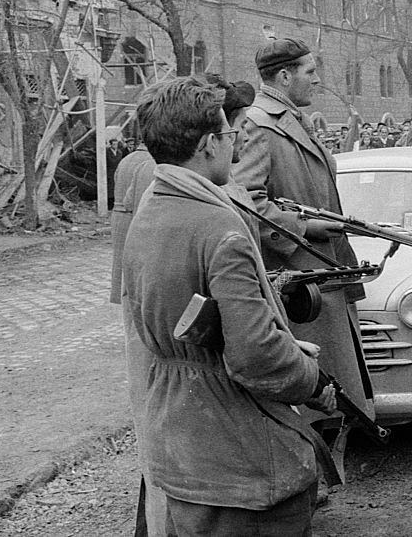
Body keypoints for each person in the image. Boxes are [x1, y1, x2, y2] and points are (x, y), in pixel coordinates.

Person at [122, 77, 337, 535]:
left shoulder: (151, 206)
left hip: (179, 447)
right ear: (205, 145)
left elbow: (190, 323)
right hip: (242, 467)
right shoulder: (221, 226)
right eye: (227, 136)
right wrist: (312, 379)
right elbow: (257, 359)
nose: (233, 144)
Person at [234, 38, 374, 435]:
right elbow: (247, 203)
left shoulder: (291, 119)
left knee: (335, 393)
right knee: (315, 397)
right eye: (310, 72)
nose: (316, 80)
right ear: (284, 75)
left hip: (322, 273)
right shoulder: (258, 125)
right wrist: (305, 227)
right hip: (300, 283)